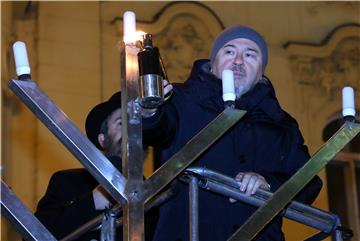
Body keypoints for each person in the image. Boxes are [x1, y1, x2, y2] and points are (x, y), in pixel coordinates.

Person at [142, 25, 323, 241]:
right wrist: (150, 111)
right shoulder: (181, 100)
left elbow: (308, 182)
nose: (238, 61)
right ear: (213, 64)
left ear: (261, 70)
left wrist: (270, 184)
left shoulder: (281, 124)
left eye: (250, 54)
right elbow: (156, 129)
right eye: (229, 51)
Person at [35, 92, 158, 241]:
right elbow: (36, 233)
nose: (131, 131)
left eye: (136, 124)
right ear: (102, 139)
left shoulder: (155, 198)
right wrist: (94, 200)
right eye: (121, 123)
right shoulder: (67, 182)